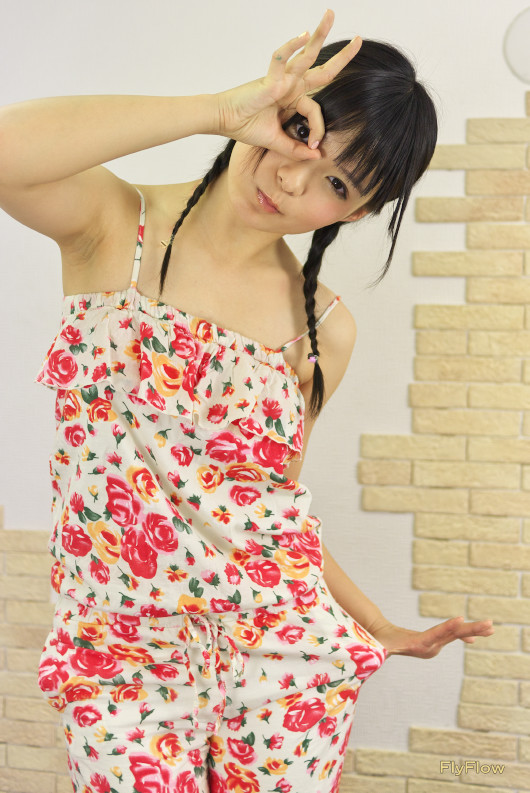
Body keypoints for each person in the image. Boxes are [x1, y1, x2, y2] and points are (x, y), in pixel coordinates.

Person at [0, 9, 493, 793]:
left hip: (282, 663)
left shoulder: (322, 329)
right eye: (299, 134)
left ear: (354, 214)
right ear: (276, 105)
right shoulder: (113, 228)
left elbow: (272, 508)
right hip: (121, 663)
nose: (292, 179)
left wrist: (376, 622)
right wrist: (219, 110)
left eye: (337, 183)